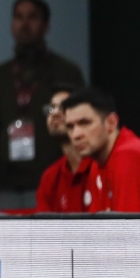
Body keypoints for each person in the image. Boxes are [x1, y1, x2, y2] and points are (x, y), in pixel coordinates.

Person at [0, 0, 84, 210]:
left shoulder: (67, 72)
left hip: (53, 179)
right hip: (6, 185)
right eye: (18, 17)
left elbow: (80, 126)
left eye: (32, 17)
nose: (24, 24)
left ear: (46, 26)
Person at [63, 87, 140, 212]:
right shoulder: (96, 163)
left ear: (111, 122)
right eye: (70, 127)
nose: (76, 135)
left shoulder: (129, 157)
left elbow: (131, 228)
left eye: (85, 123)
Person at [35, 84, 98, 213]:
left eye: (63, 107)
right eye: (51, 108)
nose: (55, 113)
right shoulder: (50, 177)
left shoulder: (100, 166)